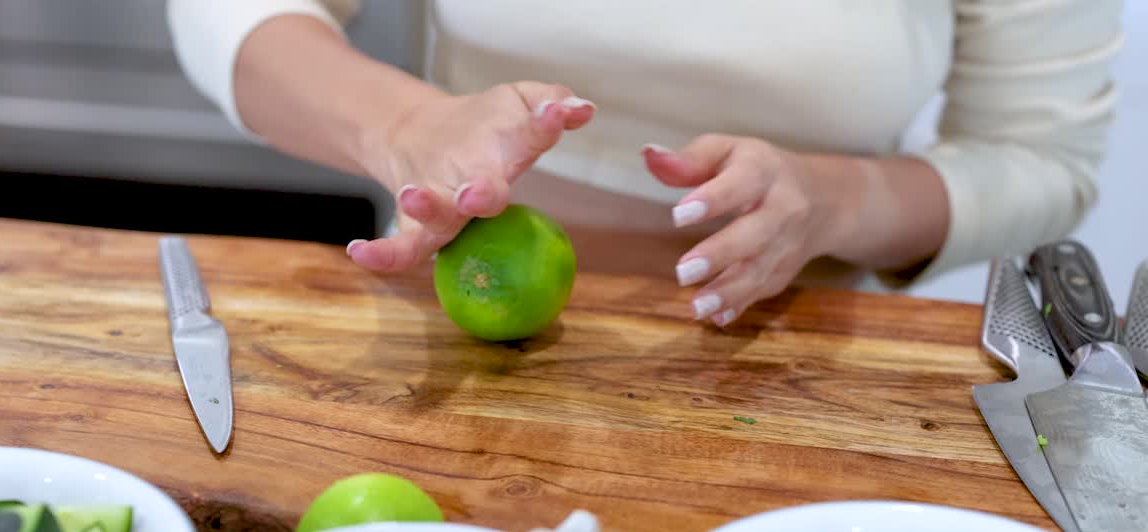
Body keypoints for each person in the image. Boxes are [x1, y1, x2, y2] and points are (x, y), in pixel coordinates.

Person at [166, 1, 1121, 327]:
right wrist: (406, 123)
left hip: (800, 368)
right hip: (450, 331)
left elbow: (1041, 156)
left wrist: (832, 201)